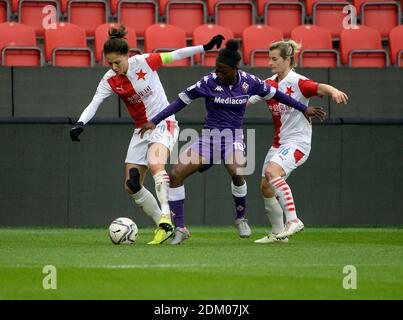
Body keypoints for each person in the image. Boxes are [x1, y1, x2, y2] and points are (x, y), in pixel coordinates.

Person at [138, 39, 326, 245]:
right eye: (216, 70)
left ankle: (240, 218)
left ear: (235, 69)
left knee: (237, 172)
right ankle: (180, 228)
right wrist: (154, 121)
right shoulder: (207, 82)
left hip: (233, 138)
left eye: (223, 71)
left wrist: (303, 108)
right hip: (208, 139)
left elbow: (278, 95)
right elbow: (179, 102)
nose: (218, 74)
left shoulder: (250, 82)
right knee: (175, 173)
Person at [69, 24, 225, 244]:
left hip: (163, 122)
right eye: (110, 63)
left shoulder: (144, 62)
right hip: (141, 130)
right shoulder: (109, 79)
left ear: (127, 56)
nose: (114, 67)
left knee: (155, 164)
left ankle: (165, 220)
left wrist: (205, 47)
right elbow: (94, 103)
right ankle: (167, 225)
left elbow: (176, 55)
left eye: (117, 62)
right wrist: (80, 123)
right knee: (131, 185)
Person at [251, 40, 348, 244]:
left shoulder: (298, 82)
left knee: (272, 173)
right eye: (269, 58)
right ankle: (278, 235)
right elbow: (247, 99)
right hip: (279, 143)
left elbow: (320, 87)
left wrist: (334, 92)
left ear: (287, 60)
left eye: (274, 59)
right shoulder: (269, 84)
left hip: (298, 143)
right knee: (265, 186)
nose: (270, 62)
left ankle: (294, 220)